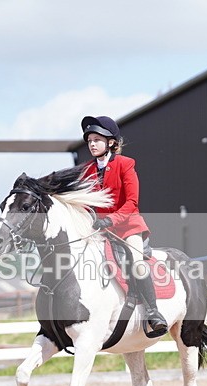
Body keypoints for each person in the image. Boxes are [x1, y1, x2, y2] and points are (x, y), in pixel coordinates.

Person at [80, 115, 168, 335]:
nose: (92, 143)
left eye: (97, 139)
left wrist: (111, 219)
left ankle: (153, 313)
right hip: (100, 229)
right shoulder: (86, 170)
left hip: (128, 226)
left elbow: (132, 203)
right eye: (89, 140)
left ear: (110, 142)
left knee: (137, 262)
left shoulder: (125, 164)